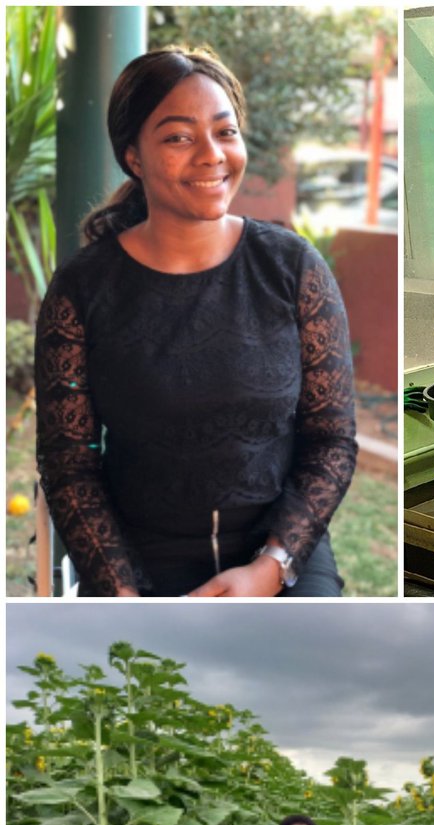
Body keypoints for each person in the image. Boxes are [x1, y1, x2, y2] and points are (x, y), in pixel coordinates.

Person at [35, 47, 357, 597]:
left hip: (276, 547)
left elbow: (331, 440)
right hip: (136, 554)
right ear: (134, 157)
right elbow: (69, 463)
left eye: (225, 132)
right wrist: (125, 595)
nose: (211, 155)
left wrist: (272, 566)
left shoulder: (291, 268)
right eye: (179, 137)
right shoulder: (82, 289)